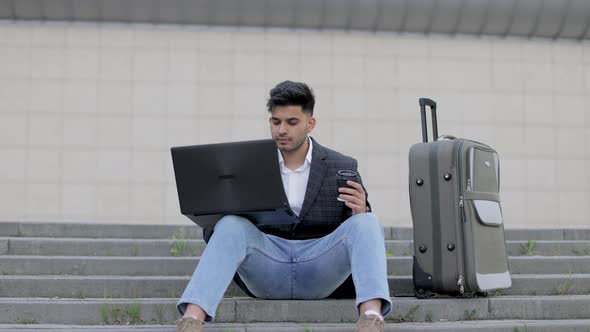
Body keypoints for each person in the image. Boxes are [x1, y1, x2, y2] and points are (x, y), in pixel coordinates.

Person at [176, 81, 392, 332]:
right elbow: (218, 234)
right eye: (276, 121)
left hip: (319, 265)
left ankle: (371, 317)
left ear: (310, 124)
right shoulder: (247, 166)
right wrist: (219, 210)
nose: (282, 129)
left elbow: (357, 233)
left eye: (292, 122)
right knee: (230, 224)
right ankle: (191, 320)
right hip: (267, 264)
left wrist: (360, 211)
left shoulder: (340, 165)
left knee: (368, 221)